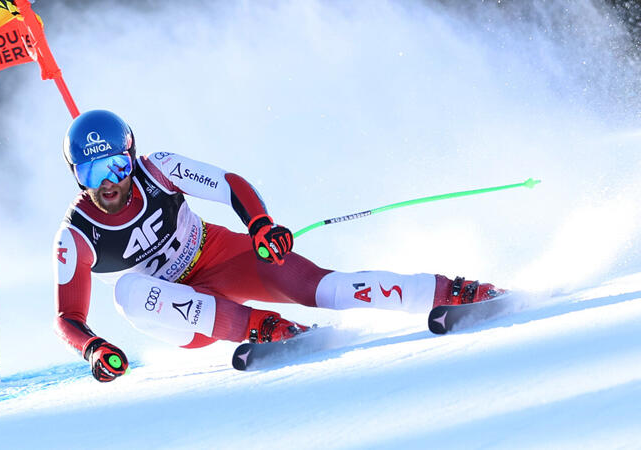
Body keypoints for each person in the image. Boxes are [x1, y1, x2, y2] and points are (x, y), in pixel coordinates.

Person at [54, 109, 504, 382]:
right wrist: (94, 349)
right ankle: (263, 327)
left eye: (116, 166)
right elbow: (68, 318)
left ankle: (450, 291)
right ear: (76, 175)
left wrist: (261, 226)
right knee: (127, 293)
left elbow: (228, 184)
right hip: (178, 313)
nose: (108, 183)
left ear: (132, 158)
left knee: (320, 286)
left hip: (218, 255)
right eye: (92, 173)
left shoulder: (159, 169)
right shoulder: (76, 234)